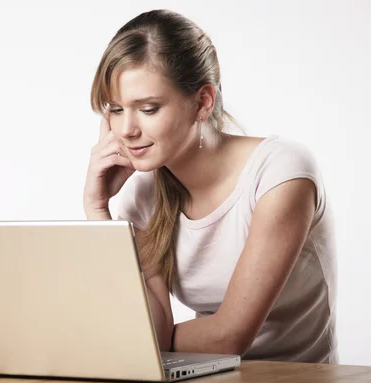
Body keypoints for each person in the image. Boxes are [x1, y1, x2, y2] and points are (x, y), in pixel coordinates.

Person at [83, 9, 337, 364]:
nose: (126, 129)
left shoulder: (279, 173)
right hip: (204, 380)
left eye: (148, 108)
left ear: (203, 102)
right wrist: (98, 212)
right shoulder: (141, 197)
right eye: (115, 109)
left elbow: (229, 337)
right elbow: (149, 329)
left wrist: (143, 339)